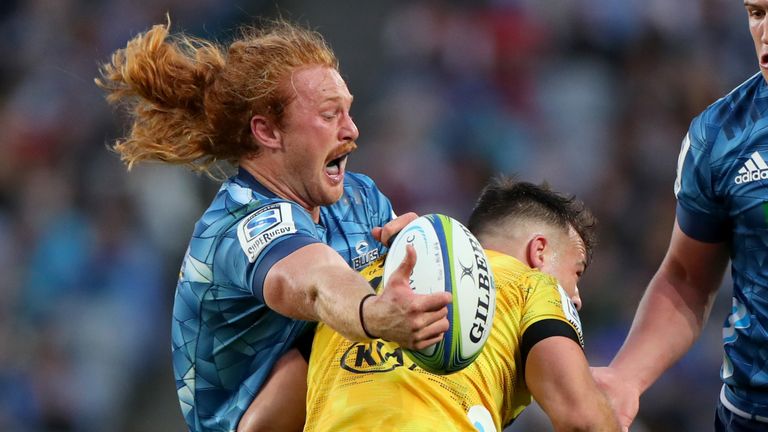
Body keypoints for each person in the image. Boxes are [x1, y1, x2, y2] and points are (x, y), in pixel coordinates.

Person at [95, 18, 452, 432]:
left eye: (348, 111)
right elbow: (315, 283)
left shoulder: (360, 197)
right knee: (328, 342)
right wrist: (373, 311)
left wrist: (418, 248)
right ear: (267, 131)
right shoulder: (240, 226)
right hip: (268, 420)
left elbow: (407, 298)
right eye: (329, 114)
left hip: (344, 410)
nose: (352, 130)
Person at [304, 177, 620, 431]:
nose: (576, 298)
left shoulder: (350, 292)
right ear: (538, 252)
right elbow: (583, 419)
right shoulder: (531, 284)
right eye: (576, 272)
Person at [592, 2, 768, 430]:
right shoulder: (721, 135)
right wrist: (626, 378)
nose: (766, 31)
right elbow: (688, 277)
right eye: (758, 12)